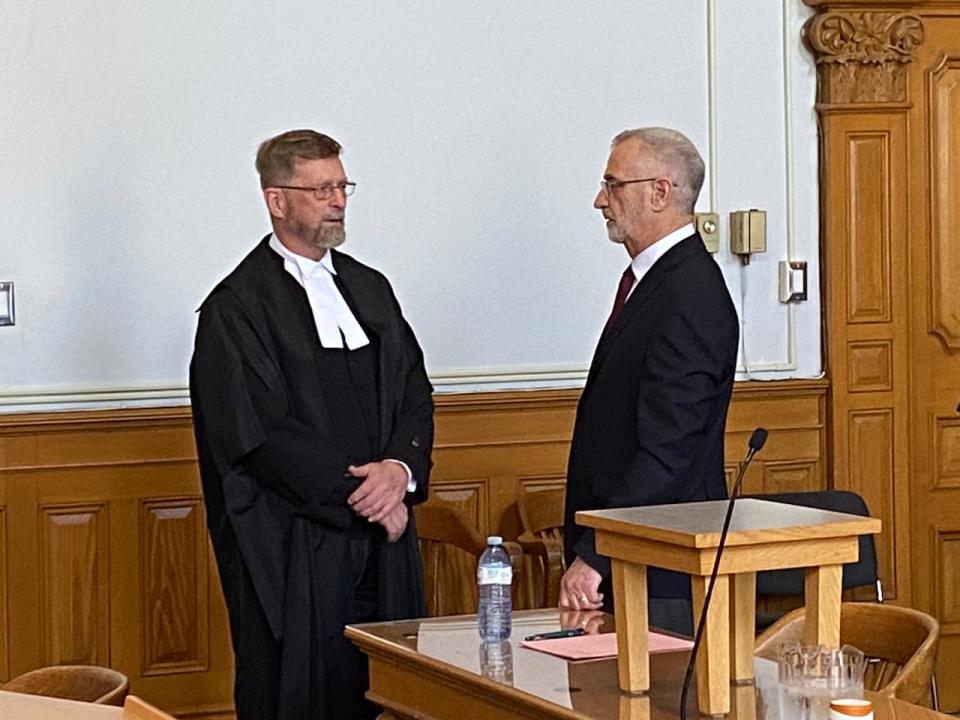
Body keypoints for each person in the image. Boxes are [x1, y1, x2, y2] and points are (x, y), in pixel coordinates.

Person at [189, 129, 433, 720]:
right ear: (277, 200)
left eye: (342, 186)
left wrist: (399, 471)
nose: (338, 201)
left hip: (384, 540)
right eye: (321, 188)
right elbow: (258, 433)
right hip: (296, 542)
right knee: (302, 694)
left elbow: (413, 390)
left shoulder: (370, 289)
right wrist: (367, 497)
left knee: (393, 687)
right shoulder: (237, 307)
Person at [559, 127, 739, 635]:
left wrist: (597, 553)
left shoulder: (689, 292)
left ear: (659, 192)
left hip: (659, 567)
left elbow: (670, 449)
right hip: (634, 555)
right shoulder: (660, 282)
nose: (600, 200)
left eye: (613, 185)